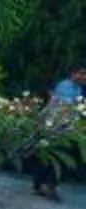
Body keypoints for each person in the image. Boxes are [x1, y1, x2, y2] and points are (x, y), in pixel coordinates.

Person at [36, 70, 84, 199]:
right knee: (57, 154)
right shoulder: (66, 86)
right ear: (74, 73)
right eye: (83, 74)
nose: (84, 77)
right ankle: (46, 184)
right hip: (56, 125)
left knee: (55, 154)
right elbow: (65, 107)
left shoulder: (78, 88)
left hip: (64, 125)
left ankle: (44, 184)